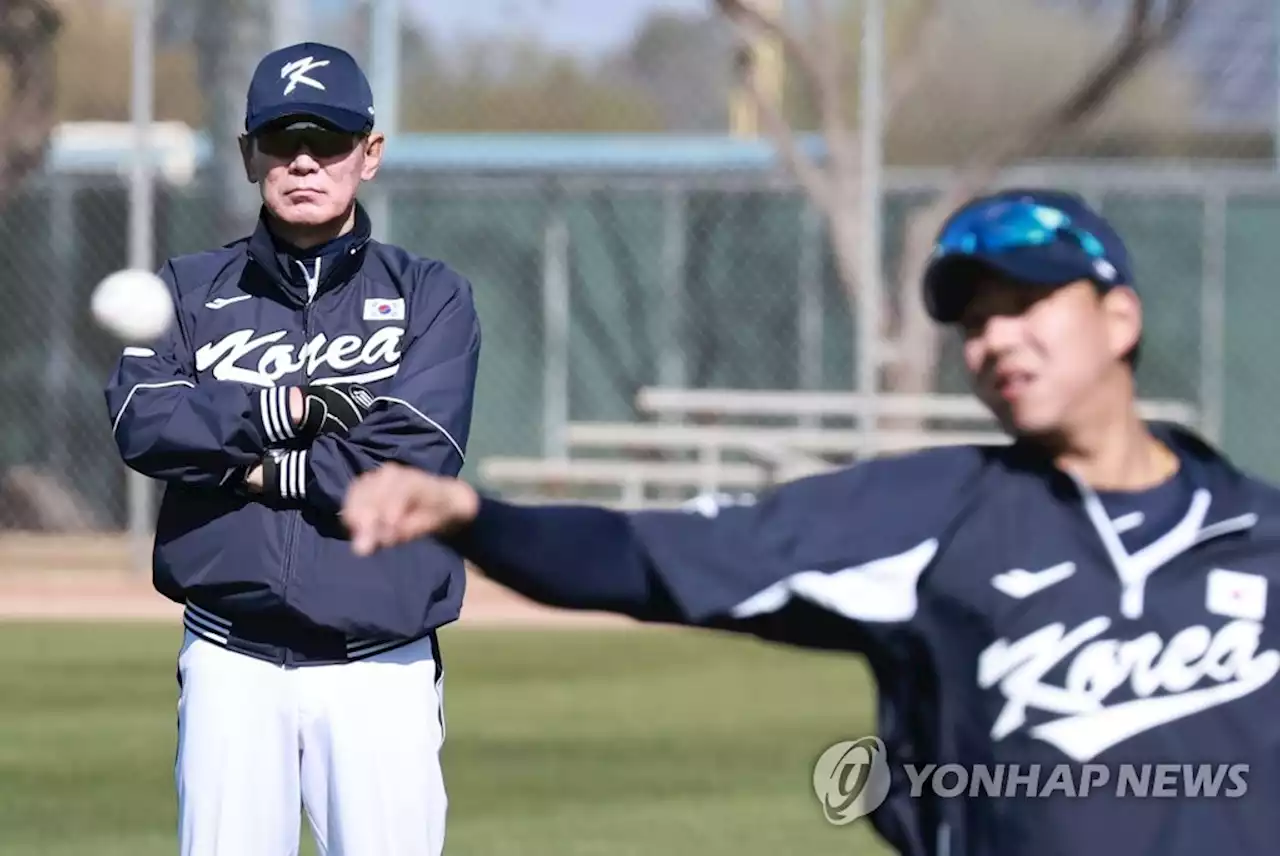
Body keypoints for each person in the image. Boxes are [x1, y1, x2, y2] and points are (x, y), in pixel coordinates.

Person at [338, 189, 1280, 856]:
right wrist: (476, 516)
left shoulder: (1261, 539)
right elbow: (661, 557)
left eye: (1027, 302)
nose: (994, 340)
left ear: (1119, 320)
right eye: (975, 322)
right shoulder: (928, 515)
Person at [104, 41, 480, 856]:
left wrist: (250, 461)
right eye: (280, 140)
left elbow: (415, 459)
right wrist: (292, 407)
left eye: (329, 140)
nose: (303, 161)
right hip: (230, 662)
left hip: (379, 669)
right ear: (249, 155)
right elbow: (145, 421)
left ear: (369, 154)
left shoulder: (430, 294)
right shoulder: (187, 290)